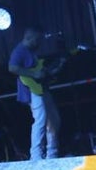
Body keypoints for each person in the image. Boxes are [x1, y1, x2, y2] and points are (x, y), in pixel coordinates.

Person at [8, 25, 60, 160]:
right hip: (32, 90)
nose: (39, 43)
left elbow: (39, 71)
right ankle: (36, 155)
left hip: (42, 88)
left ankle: (52, 153)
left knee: (54, 120)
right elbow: (12, 68)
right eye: (37, 40)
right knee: (40, 120)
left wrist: (49, 73)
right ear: (29, 37)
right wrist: (34, 74)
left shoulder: (31, 51)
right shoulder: (19, 51)